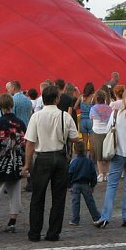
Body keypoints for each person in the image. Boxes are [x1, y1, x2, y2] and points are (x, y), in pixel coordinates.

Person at [23, 85, 79, 241]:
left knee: (37, 197)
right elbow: (75, 138)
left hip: (42, 158)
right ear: (57, 99)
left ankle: (34, 233)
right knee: (58, 197)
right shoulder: (65, 116)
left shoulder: (36, 116)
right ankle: (53, 233)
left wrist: (27, 164)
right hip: (60, 157)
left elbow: (30, 142)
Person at [96, 87, 126, 227]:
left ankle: (105, 216)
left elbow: (108, 130)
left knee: (112, 185)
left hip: (118, 152)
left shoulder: (116, 114)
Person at [0, 94, 26, 233]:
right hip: (16, 162)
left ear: (0, 106)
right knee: (15, 192)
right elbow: (24, 142)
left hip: (0, 163)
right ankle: (12, 221)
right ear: (12, 105)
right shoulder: (20, 123)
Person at [66, 139, 100, 227]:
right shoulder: (89, 162)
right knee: (90, 202)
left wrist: (69, 185)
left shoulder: (73, 162)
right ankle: (96, 217)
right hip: (86, 184)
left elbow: (69, 174)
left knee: (75, 202)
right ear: (85, 150)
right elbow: (93, 174)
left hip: (75, 184)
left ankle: (75, 219)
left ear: (75, 150)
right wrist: (92, 185)